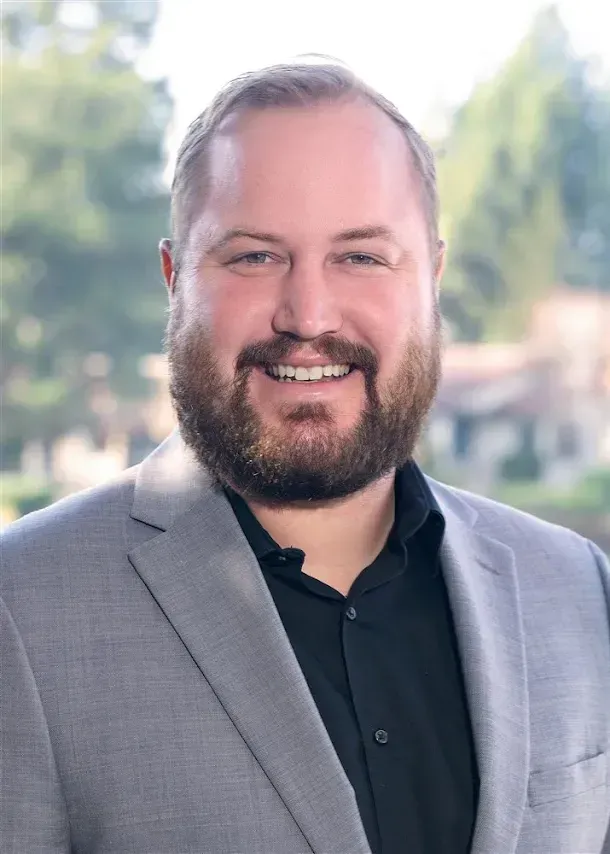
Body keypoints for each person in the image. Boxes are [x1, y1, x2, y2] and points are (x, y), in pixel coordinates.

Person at [1, 62, 609, 854]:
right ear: (175, 278)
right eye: (255, 256)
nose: (308, 315)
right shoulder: (21, 611)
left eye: (361, 257)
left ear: (431, 278)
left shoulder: (581, 592)